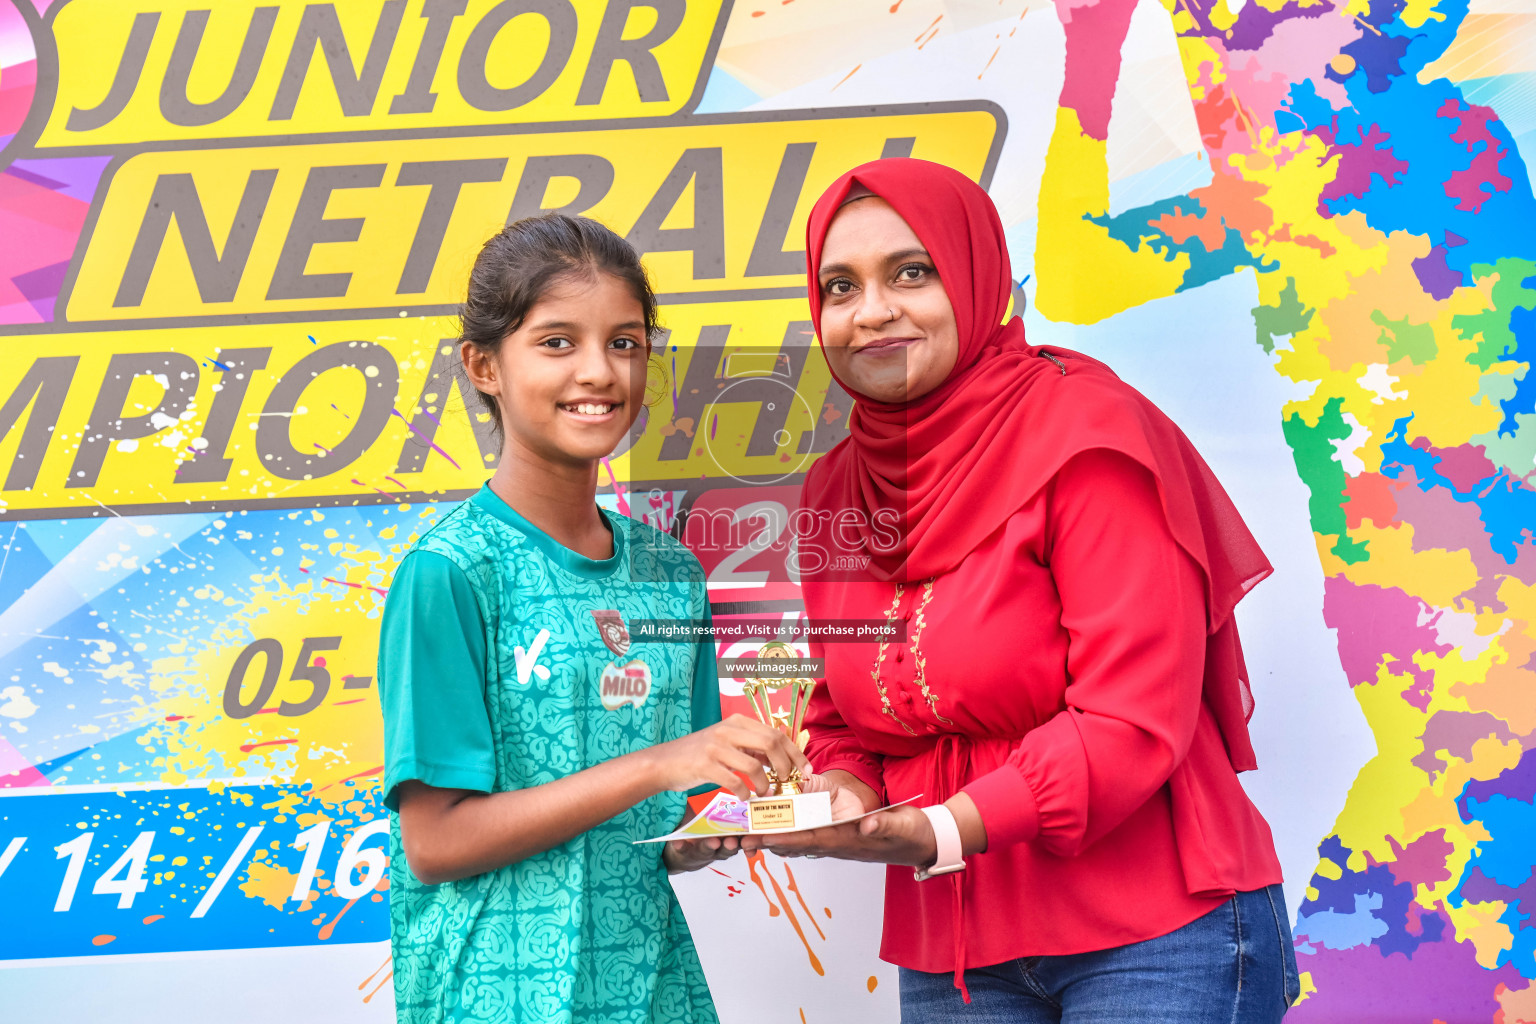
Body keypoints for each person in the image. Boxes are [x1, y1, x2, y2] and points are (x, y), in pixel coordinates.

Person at [748, 159, 1300, 1022]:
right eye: (840, 287)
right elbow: (845, 718)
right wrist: (840, 795)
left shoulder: (1086, 437)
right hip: (958, 954)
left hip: (1155, 934)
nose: (873, 310)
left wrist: (940, 828)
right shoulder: (835, 492)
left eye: (911, 272)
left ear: (976, 277)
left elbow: (1132, 714)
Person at [376, 214, 806, 1024]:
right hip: (497, 997)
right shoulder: (450, 573)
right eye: (557, 342)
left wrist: (715, 824)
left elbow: (670, 818)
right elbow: (436, 845)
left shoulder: (671, 573)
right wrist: (659, 766)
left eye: (626, 342)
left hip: (651, 988)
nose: (600, 372)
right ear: (482, 366)